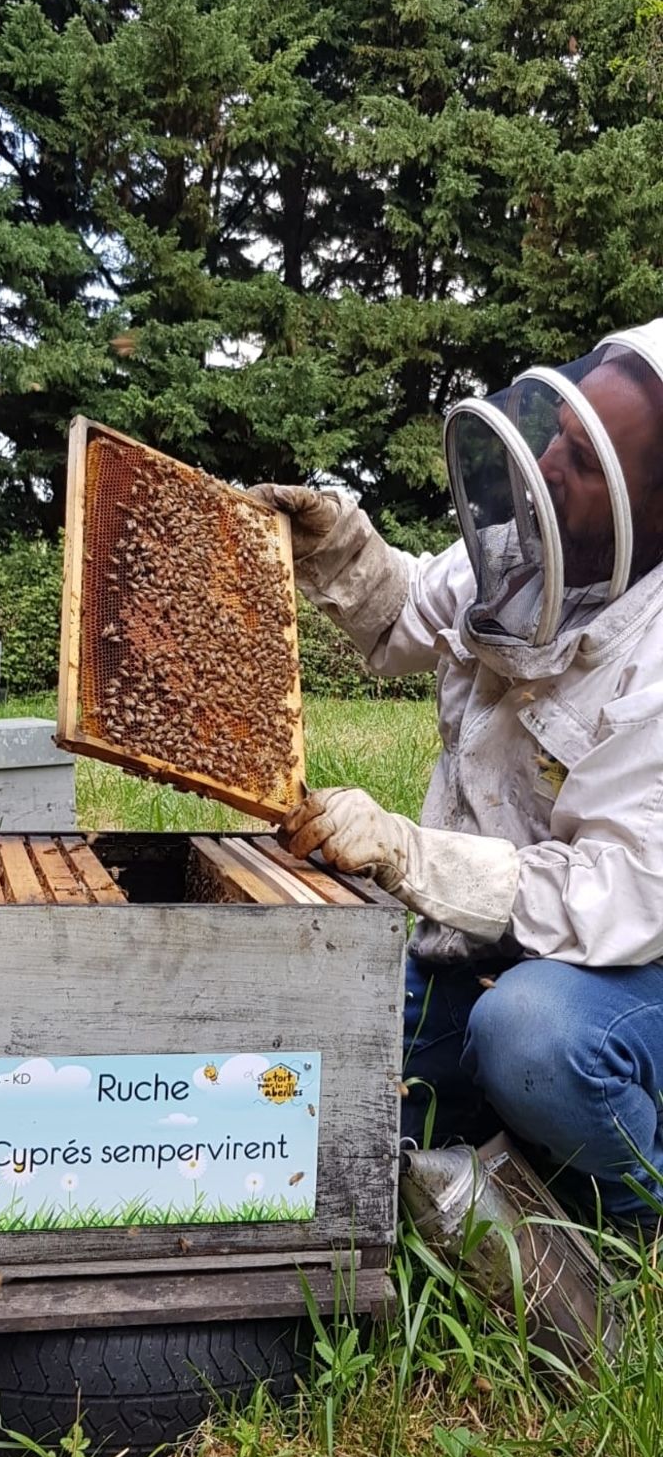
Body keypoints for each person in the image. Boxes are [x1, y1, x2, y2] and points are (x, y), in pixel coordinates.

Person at [252, 319, 663, 1229]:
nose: (552, 463)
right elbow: (406, 617)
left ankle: (642, 1206)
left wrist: (410, 853)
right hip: (480, 945)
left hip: (627, 976)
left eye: (590, 463)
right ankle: (517, 1126)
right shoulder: (528, 547)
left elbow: (614, 895)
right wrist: (340, 549)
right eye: (562, 430)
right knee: (337, 1108)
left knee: (531, 1037)